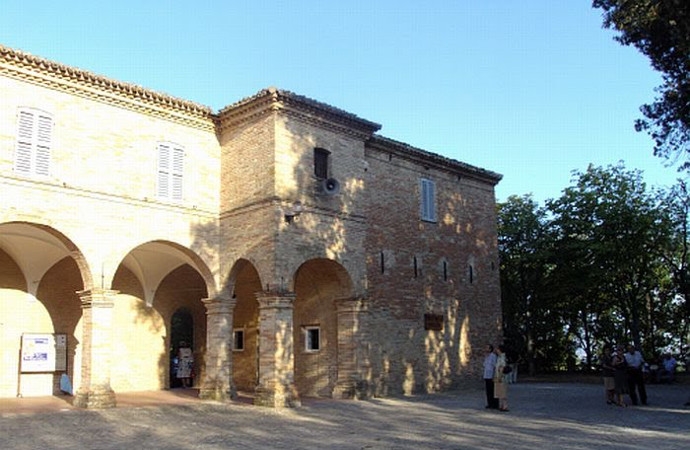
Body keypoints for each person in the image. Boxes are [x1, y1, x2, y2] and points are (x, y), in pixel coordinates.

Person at [493, 344, 509, 412]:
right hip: (498, 376)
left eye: (497, 349)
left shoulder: (502, 357)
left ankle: (505, 406)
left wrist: (499, 377)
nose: (496, 350)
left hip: (501, 377)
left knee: (503, 391)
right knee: (499, 392)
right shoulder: (499, 357)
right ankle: (502, 405)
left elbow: (502, 368)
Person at [483, 344, 499, 409]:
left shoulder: (493, 356)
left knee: (493, 390)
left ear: (490, 349)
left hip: (491, 375)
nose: (486, 349)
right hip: (486, 375)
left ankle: (495, 404)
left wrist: (494, 375)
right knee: (488, 390)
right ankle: (489, 403)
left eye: (487, 348)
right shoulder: (486, 356)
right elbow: (484, 365)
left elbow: (495, 366)